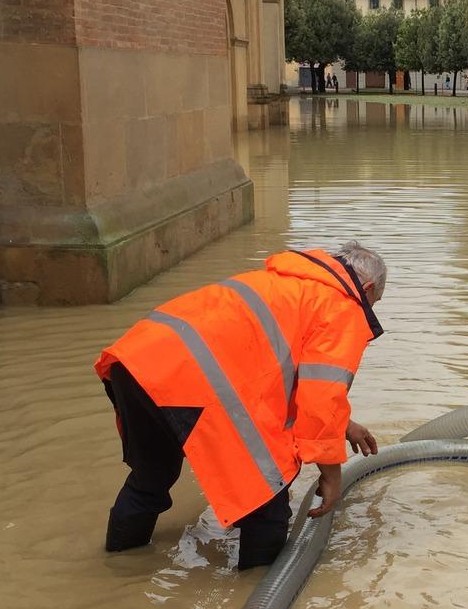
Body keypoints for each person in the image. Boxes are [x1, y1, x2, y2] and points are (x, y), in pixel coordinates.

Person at [96, 241, 386, 569]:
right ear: (368, 288)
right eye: (373, 304)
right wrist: (331, 475)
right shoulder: (342, 305)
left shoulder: (286, 283)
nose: (368, 312)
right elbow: (319, 399)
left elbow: (296, 377)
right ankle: (255, 599)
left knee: (150, 477)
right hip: (188, 380)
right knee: (267, 494)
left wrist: (343, 424)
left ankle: (117, 572)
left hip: (135, 362)